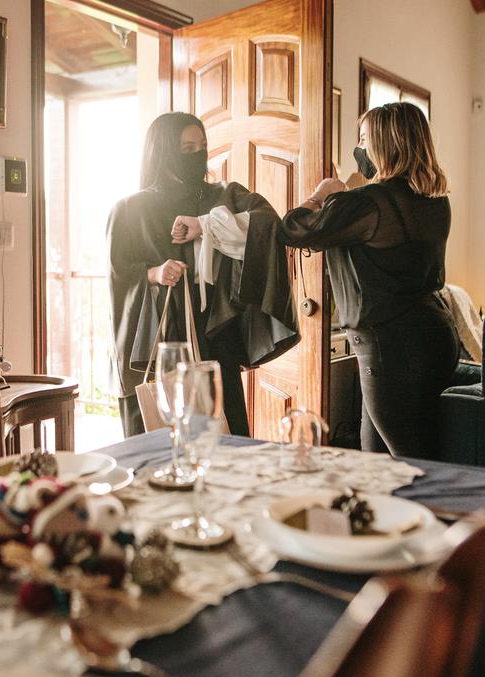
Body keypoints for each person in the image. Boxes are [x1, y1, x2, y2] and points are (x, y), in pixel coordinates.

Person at [280, 102, 458, 458]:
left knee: (410, 462)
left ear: (385, 143)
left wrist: (322, 195)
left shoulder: (367, 203)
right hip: (435, 334)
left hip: (390, 346)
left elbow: (293, 229)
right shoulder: (436, 201)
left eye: (363, 139)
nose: (359, 148)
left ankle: (437, 515)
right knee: (376, 459)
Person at [109, 112, 298, 438]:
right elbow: (119, 276)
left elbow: (268, 224)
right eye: (186, 147)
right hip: (160, 345)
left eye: (201, 146)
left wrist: (209, 223)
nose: (197, 154)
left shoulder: (223, 195)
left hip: (214, 340)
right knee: (160, 449)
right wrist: (154, 273)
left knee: (225, 439)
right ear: (164, 150)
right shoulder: (130, 210)